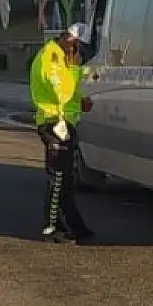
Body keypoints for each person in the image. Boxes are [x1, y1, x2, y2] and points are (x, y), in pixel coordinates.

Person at [30, 23, 94, 244]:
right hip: (52, 122)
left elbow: (71, 89)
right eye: (80, 51)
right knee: (57, 177)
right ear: (72, 42)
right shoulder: (51, 57)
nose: (81, 57)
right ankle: (51, 226)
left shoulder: (63, 58)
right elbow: (60, 90)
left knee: (66, 178)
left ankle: (75, 225)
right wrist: (78, 73)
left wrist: (82, 100)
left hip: (65, 122)